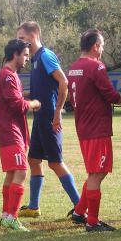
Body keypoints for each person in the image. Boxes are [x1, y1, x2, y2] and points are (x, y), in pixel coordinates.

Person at [68, 29, 121, 232]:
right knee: (97, 172)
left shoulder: (74, 67)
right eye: (102, 45)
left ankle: (80, 211)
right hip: (97, 127)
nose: (103, 49)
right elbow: (110, 94)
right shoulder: (95, 66)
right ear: (95, 46)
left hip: (83, 125)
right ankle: (93, 221)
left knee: (95, 172)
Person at [15, 21, 82, 221]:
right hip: (39, 117)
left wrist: (58, 112)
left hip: (49, 118)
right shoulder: (35, 60)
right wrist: (13, 93)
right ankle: (34, 207)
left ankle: (81, 206)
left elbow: (64, 81)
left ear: (33, 36)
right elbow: (36, 93)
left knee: (55, 162)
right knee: (34, 160)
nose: (19, 42)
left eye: (22, 38)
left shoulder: (45, 56)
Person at [0, 39, 41, 231]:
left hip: (9, 131)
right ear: (15, 54)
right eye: (25, 55)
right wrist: (34, 103)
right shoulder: (8, 76)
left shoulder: (7, 74)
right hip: (11, 132)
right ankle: (12, 216)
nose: (26, 59)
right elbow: (18, 105)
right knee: (21, 171)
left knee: (12, 173)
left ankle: (6, 214)